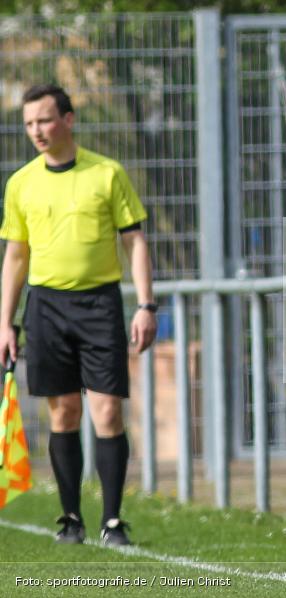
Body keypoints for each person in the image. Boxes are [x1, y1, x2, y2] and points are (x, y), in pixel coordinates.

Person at [0, 84, 156, 546]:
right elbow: (15, 256)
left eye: (45, 121)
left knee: (107, 412)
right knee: (63, 412)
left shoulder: (106, 174)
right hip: (45, 307)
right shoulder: (21, 182)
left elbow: (135, 241)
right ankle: (71, 518)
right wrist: (5, 321)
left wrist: (146, 305)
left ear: (68, 120)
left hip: (100, 304)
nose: (37, 131)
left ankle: (111, 521)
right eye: (29, 124)